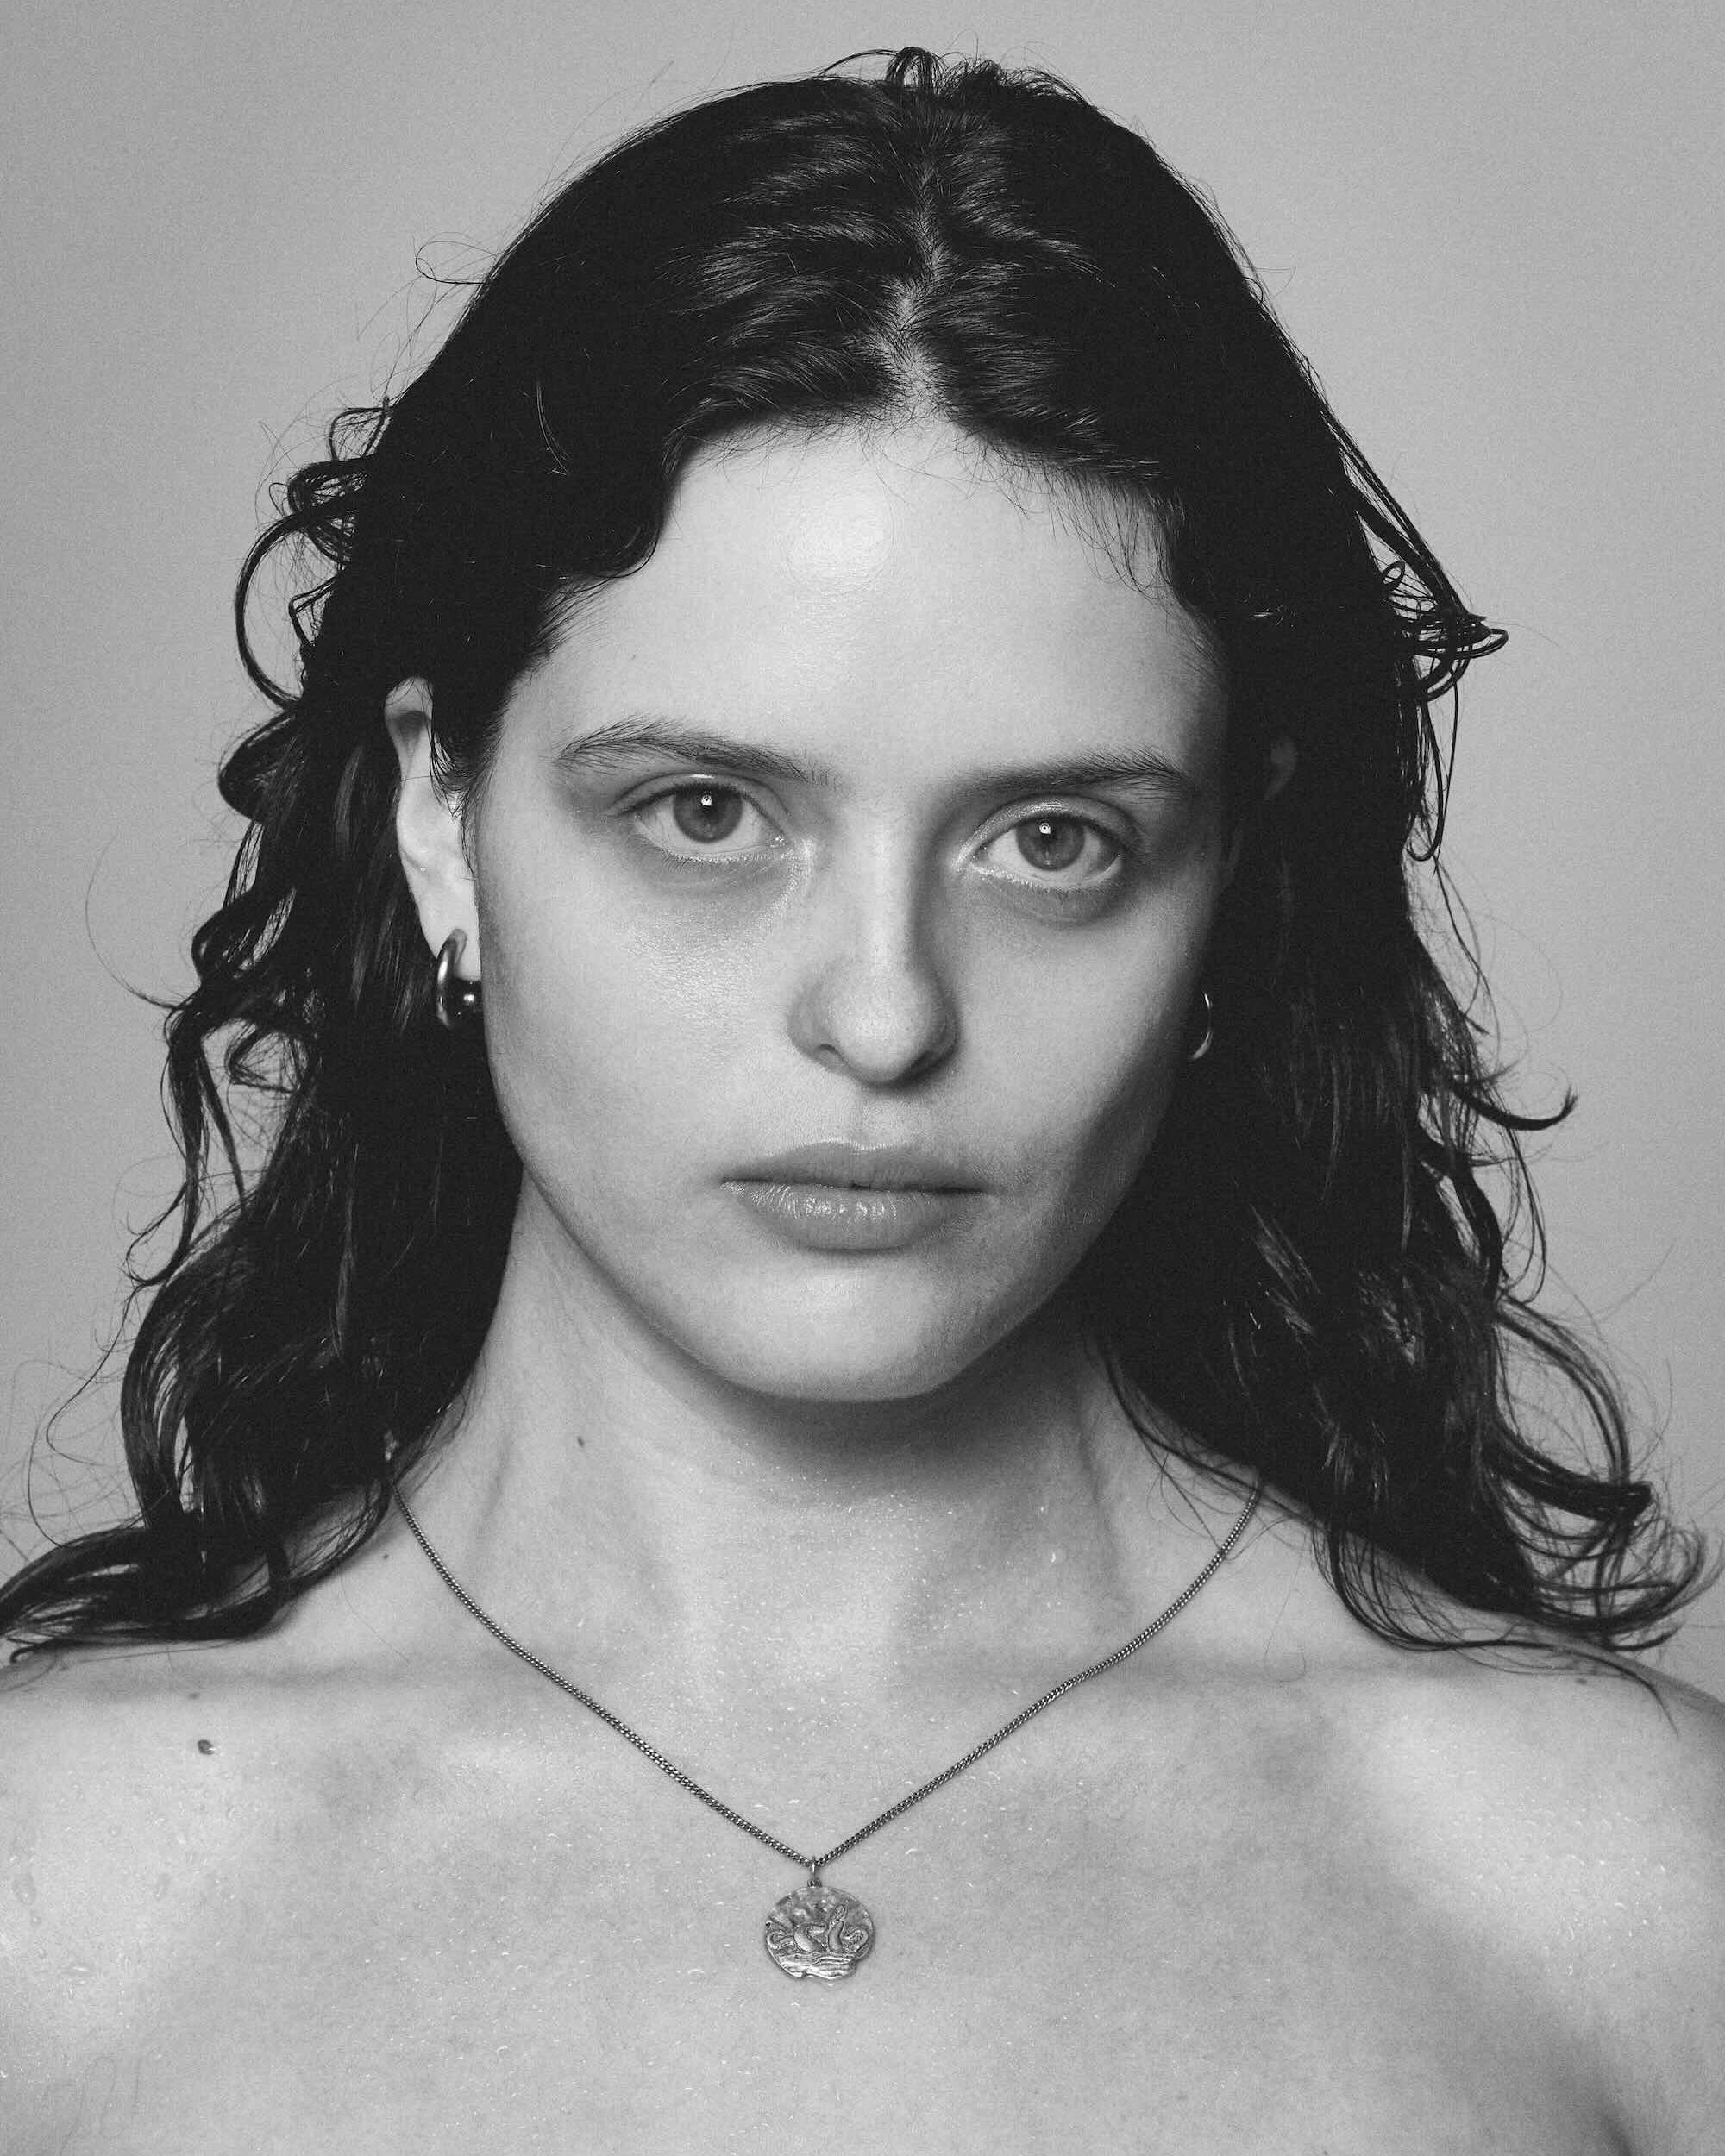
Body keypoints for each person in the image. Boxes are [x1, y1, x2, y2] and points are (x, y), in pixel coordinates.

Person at [3, 46, 1721, 2153]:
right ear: (438, 820)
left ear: (1230, 891)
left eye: (1052, 840)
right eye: (707, 810)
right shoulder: (51, 1894)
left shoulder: (1624, 1884)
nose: (885, 1013)